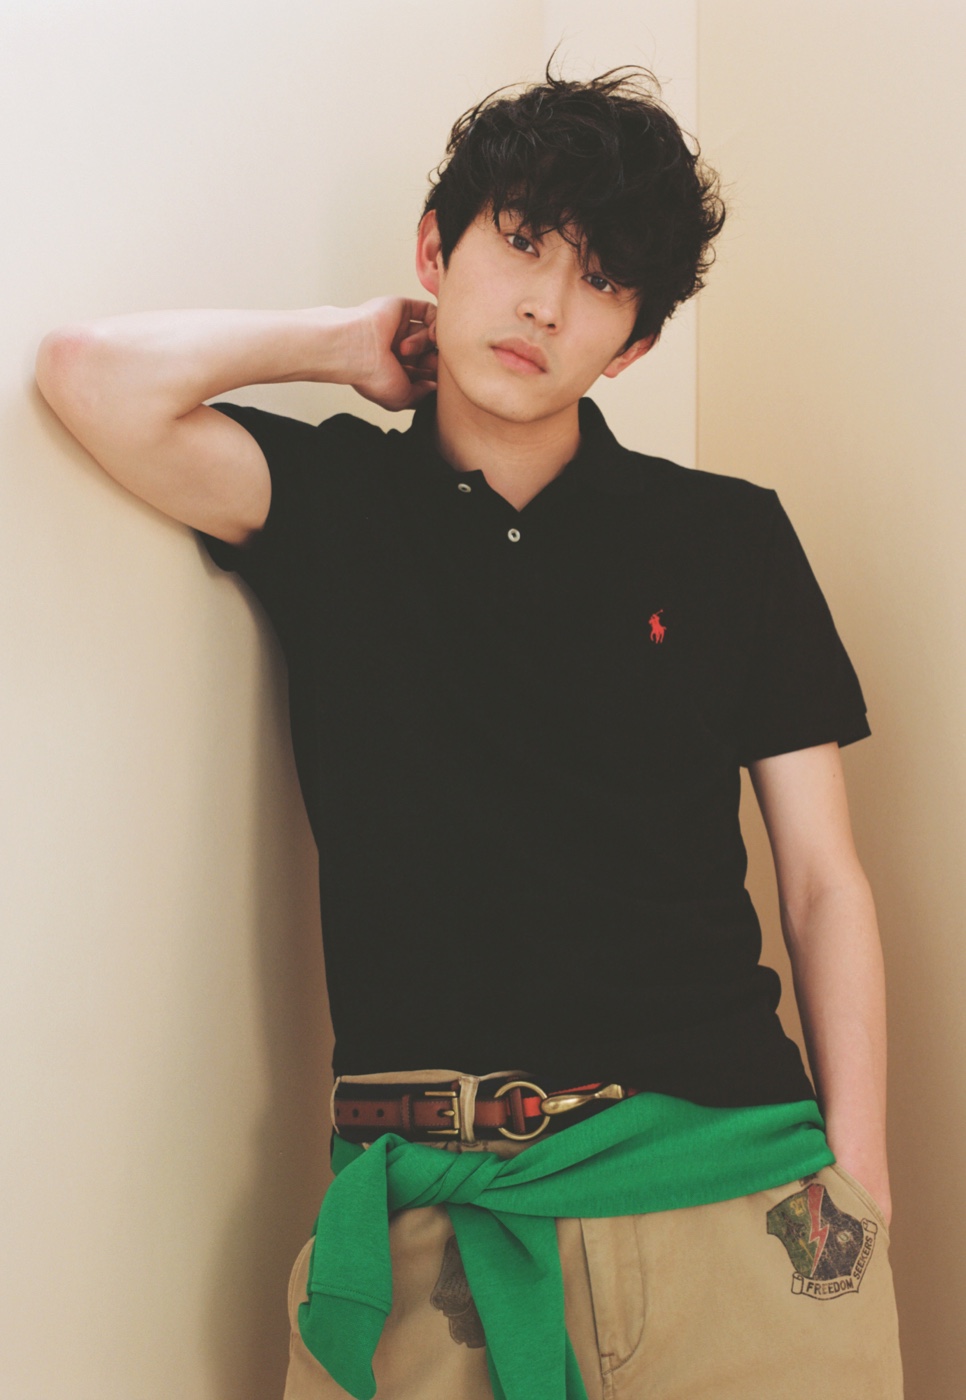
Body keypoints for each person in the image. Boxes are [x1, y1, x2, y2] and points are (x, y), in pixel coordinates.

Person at [35, 63, 902, 1400]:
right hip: (429, 1220)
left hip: (734, 1200)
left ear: (634, 345)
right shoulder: (327, 503)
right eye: (521, 240)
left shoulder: (726, 538)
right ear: (437, 251)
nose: (546, 303)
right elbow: (88, 377)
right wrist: (345, 345)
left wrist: (862, 1174)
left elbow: (824, 880)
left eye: (602, 281)